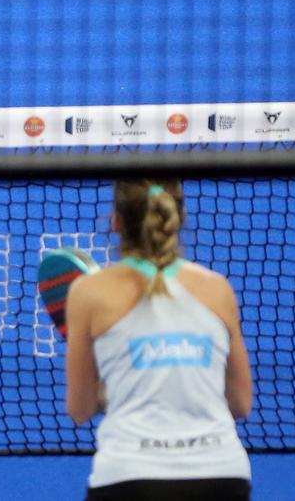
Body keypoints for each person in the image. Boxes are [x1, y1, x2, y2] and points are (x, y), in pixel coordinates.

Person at [64, 180, 253, 500]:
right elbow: (240, 403)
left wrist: (112, 388)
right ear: (180, 217)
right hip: (222, 477)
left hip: (129, 479)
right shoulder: (218, 289)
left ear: (116, 222)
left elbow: (80, 409)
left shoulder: (88, 293)